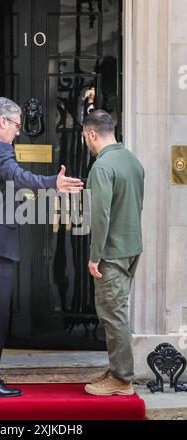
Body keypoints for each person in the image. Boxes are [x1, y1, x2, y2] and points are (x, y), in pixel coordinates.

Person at [0, 97, 83, 398]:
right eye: (17, 126)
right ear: (2, 122)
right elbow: (17, 177)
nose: (18, 133)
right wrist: (52, 183)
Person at [82, 110, 144, 396]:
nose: (86, 142)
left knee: (112, 313)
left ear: (92, 134)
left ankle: (121, 379)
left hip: (111, 252)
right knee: (116, 309)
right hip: (131, 247)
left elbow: (100, 216)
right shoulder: (132, 161)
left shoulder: (102, 167)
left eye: (85, 137)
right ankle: (117, 369)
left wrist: (95, 256)